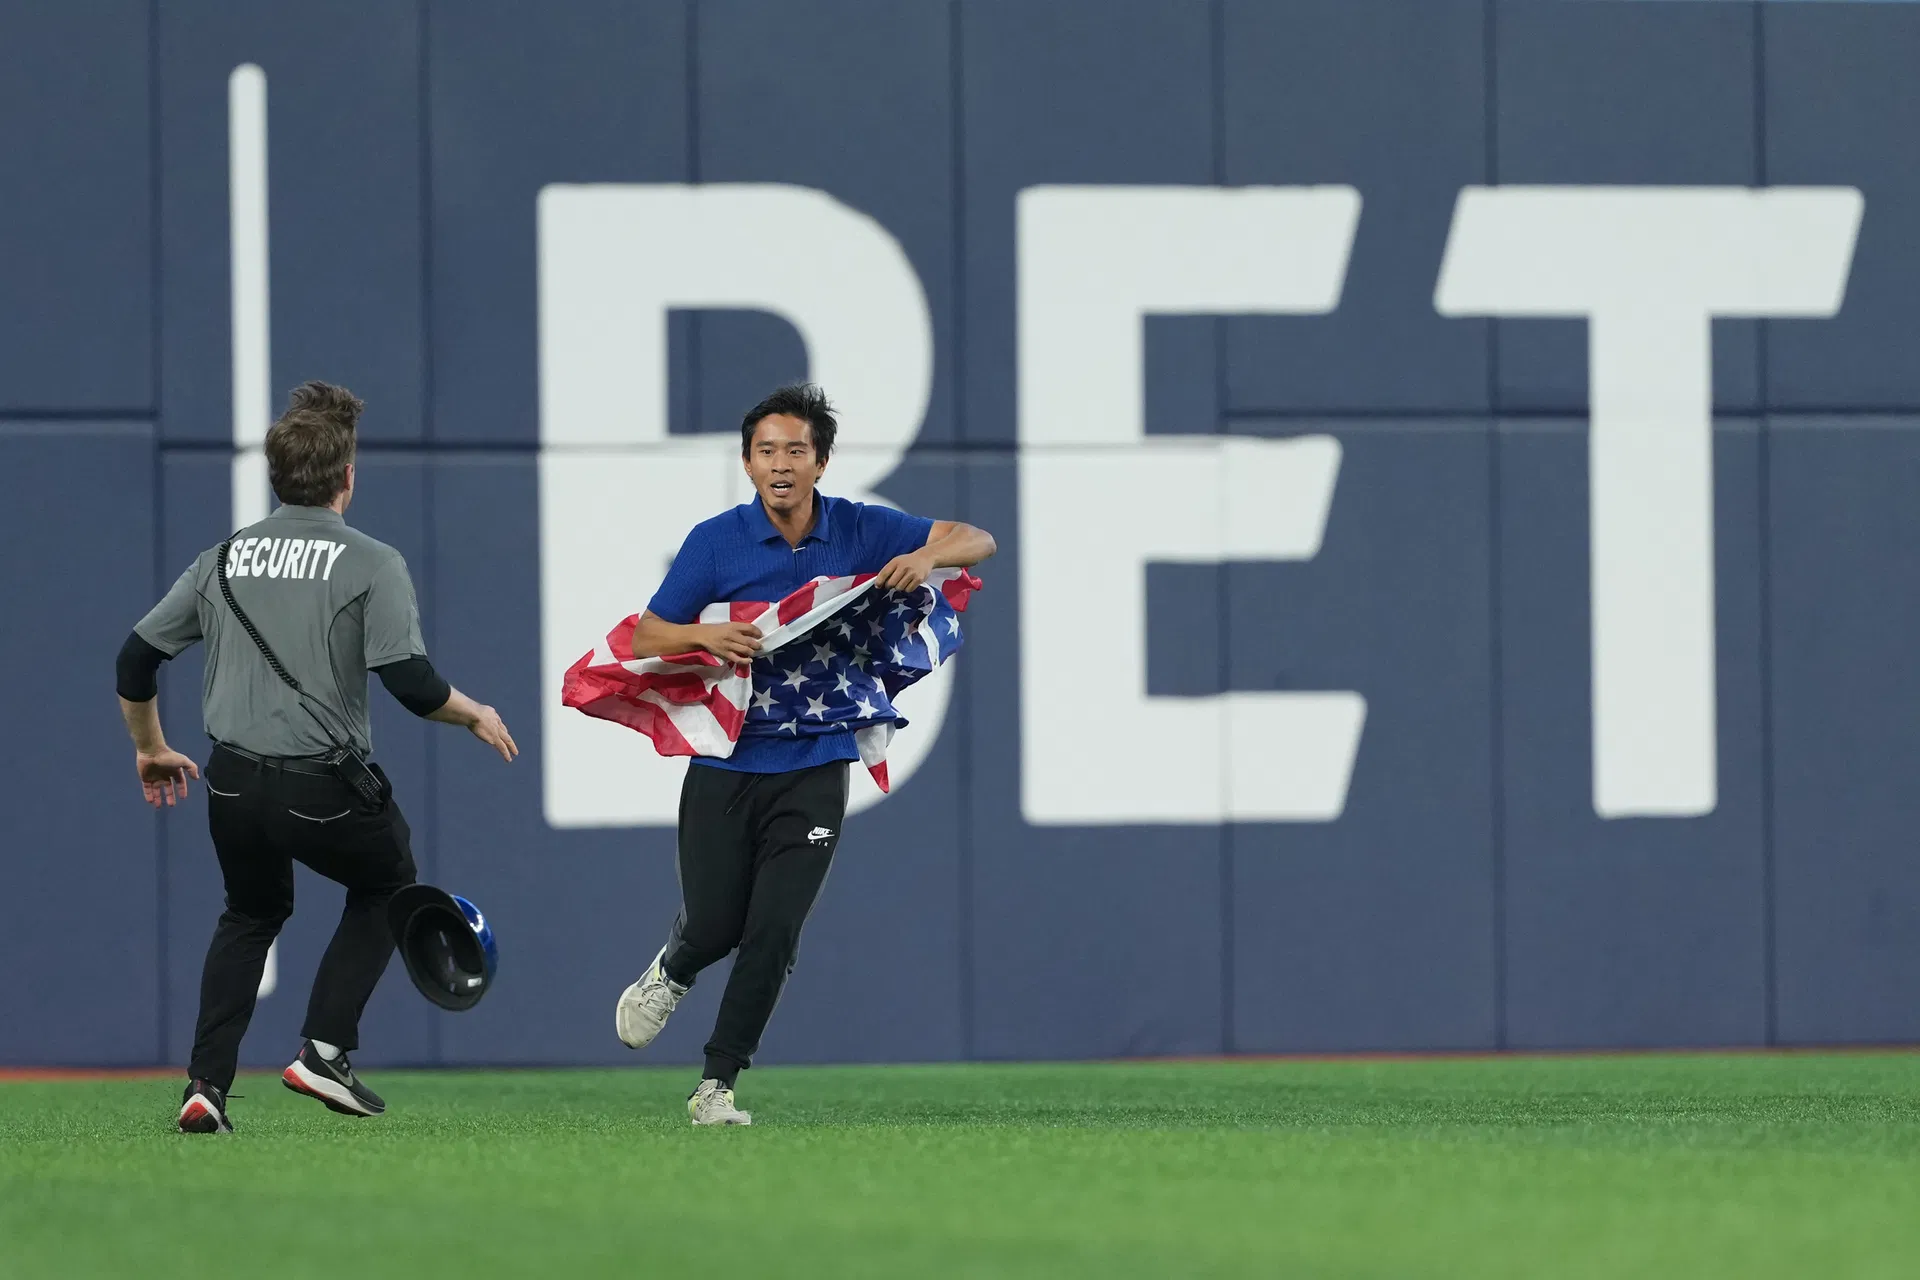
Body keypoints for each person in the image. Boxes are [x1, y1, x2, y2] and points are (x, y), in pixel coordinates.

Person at [116, 381, 518, 1135]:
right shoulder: (371, 562)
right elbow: (412, 684)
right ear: (347, 477)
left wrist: (150, 748)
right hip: (321, 788)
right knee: (390, 882)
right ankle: (324, 1051)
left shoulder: (225, 558)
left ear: (278, 476)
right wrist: (474, 713)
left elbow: (135, 659)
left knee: (251, 912)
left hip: (230, 784)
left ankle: (205, 1087)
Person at [613, 383, 995, 1125]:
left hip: (816, 761)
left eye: (796, 450)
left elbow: (975, 538)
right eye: (766, 452)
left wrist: (922, 555)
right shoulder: (717, 542)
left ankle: (716, 1084)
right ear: (748, 463)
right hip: (726, 760)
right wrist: (705, 635)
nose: (780, 464)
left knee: (775, 931)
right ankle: (675, 967)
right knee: (718, 925)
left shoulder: (859, 529)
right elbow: (644, 637)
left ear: (821, 462)